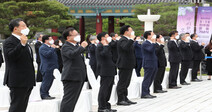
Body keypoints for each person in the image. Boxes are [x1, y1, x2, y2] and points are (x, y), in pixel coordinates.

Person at [3, 18, 35, 112]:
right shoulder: (9, 41)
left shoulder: (24, 41)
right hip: (18, 80)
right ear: (15, 29)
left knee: (22, 107)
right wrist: (21, 44)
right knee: (16, 106)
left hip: (27, 80)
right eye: (23, 26)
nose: (26, 28)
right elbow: (10, 57)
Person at [60, 28, 88, 112]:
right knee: (68, 100)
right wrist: (82, 47)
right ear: (68, 37)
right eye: (75, 35)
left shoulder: (76, 46)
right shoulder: (66, 47)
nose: (78, 36)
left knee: (73, 100)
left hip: (78, 76)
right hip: (71, 77)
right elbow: (72, 55)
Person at [96, 32, 117, 112]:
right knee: (104, 89)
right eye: (107, 36)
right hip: (104, 70)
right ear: (102, 38)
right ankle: (101, 107)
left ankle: (107, 105)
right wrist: (105, 46)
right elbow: (103, 55)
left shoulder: (108, 46)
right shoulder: (100, 46)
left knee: (109, 88)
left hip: (110, 69)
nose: (109, 38)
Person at [116, 25, 136, 106]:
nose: (132, 32)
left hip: (129, 64)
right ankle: (120, 99)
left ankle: (125, 97)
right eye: (130, 30)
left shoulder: (127, 40)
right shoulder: (122, 40)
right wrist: (131, 39)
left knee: (127, 82)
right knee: (122, 82)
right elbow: (125, 48)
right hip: (124, 64)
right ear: (126, 32)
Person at [39, 35, 58, 99]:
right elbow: (47, 55)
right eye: (50, 39)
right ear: (46, 40)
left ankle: (47, 93)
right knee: (46, 81)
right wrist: (52, 48)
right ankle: (43, 94)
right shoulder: (42, 47)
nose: (52, 40)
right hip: (47, 67)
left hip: (52, 67)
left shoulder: (50, 47)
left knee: (50, 81)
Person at [140, 31, 157, 99]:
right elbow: (150, 50)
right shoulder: (145, 43)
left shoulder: (151, 43)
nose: (154, 35)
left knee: (151, 78)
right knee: (147, 78)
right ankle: (144, 93)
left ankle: (147, 92)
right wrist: (153, 43)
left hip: (153, 62)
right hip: (148, 63)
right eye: (152, 34)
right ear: (148, 36)